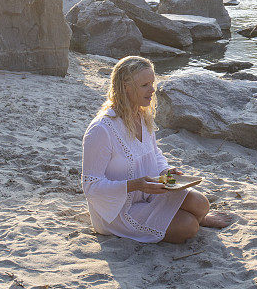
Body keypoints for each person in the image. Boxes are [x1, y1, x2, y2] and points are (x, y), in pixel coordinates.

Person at [82, 56, 230, 243]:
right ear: (125, 87)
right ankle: (192, 222)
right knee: (188, 226)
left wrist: (165, 170)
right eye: (145, 85)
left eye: (152, 83)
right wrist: (135, 185)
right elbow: (91, 187)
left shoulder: (141, 116)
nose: (152, 90)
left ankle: (197, 219)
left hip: (149, 193)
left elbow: (154, 153)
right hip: (118, 210)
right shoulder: (101, 130)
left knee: (201, 204)